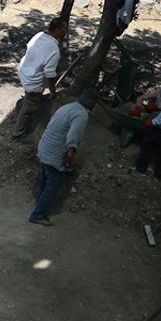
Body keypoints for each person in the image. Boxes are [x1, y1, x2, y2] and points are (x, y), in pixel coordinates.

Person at [29, 88, 99, 226]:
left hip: (45, 146)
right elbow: (72, 138)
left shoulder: (68, 107)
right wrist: (69, 158)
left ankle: (40, 200)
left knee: (45, 175)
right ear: (93, 104)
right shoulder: (81, 115)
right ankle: (37, 214)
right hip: (54, 153)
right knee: (53, 185)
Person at [12, 16, 69, 138]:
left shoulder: (39, 36)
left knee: (29, 98)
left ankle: (22, 106)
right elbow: (49, 73)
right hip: (33, 80)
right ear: (57, 30)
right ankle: (18, 133)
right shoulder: (53, 49)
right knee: (30, 108)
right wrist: (52, 91)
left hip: (24, 71)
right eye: (64, 29)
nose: (66, 32)